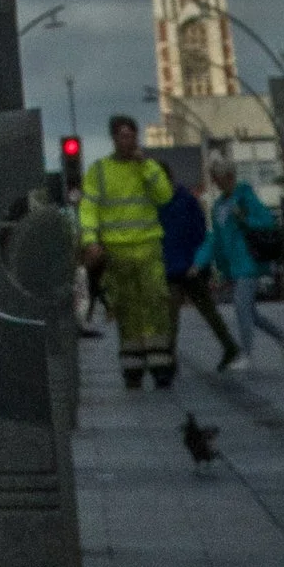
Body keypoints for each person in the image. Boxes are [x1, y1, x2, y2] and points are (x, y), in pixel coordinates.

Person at [78, 116, 174, 388]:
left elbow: (164, 196)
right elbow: (88, 209)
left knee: (155, 302)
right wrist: (90, 240)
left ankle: (161, 364)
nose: (128, 140)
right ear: (113, 138)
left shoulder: (148, 167)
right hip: (118, 252)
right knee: (127, 308)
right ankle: (132, 366)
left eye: (131, 134)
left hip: (148, 248)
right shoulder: (99, 171)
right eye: (122, 135)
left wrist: (146, 167)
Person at [203, 152, 284, 364]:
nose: (216, 183)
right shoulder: (218, 206)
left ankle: (246, 354)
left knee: (242, 307)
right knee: (249, 311)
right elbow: (217, 239)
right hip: (234, 265)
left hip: (249, 261)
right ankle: (283, 337)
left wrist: (245, 219)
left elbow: (266, 221)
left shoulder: (245, 196)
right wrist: (217, 266)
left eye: (219, 178)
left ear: (229, 176)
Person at [161, 168, 238, 375]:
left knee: (184, 313)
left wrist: (198, 262)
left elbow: (200, 233)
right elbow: (200, 231)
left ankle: (169, 358)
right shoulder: (183, 200)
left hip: (184, 265)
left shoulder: (178, 202)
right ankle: (169, 358)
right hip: (178, 265)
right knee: (178, 315)